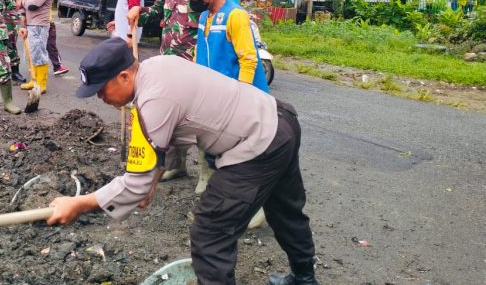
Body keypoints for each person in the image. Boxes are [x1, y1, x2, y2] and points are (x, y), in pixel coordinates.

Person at [47, 38, 319, 285]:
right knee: (285, 210)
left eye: (101, 89)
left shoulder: (152, 101)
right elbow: (170, 138)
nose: (100, 97)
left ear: (124, 76)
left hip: (258, 143)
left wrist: (78, 203)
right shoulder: (157, 65)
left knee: (210, 232)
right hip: (279, 119)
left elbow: (135, 185)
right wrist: (152, 178)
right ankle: (304, 278)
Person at [179, 0, 270, 202]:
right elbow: (203, 53)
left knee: (241, 154)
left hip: (239, 95)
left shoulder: (235, 15)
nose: (191, 0)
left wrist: (242, 95)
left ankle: (251, 205)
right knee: (214, 146)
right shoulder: (204, 16)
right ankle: (218, 190)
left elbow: (248, 59)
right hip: (215, 96)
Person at [127, 0, 201, 183]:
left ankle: (208, 175)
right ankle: (176, 164)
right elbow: (154, 13)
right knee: (172, 113)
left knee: (198, 117)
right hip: (168, 61)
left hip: (194, 63)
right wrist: (139, 10)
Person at [19, 0, 54, 97]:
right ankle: (34, 80)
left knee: (39, 54)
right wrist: (24, 4)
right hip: (29, 23)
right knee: (30, 54)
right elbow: (25, 1)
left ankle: (41, 84)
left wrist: (24, 1)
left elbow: (34, 5)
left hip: (39, 24)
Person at [44, 0, 69, 76]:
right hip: (45, 23)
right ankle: (57, 66)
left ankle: (57, 66)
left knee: (47, 46)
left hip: (43, 22)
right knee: (50, 45)